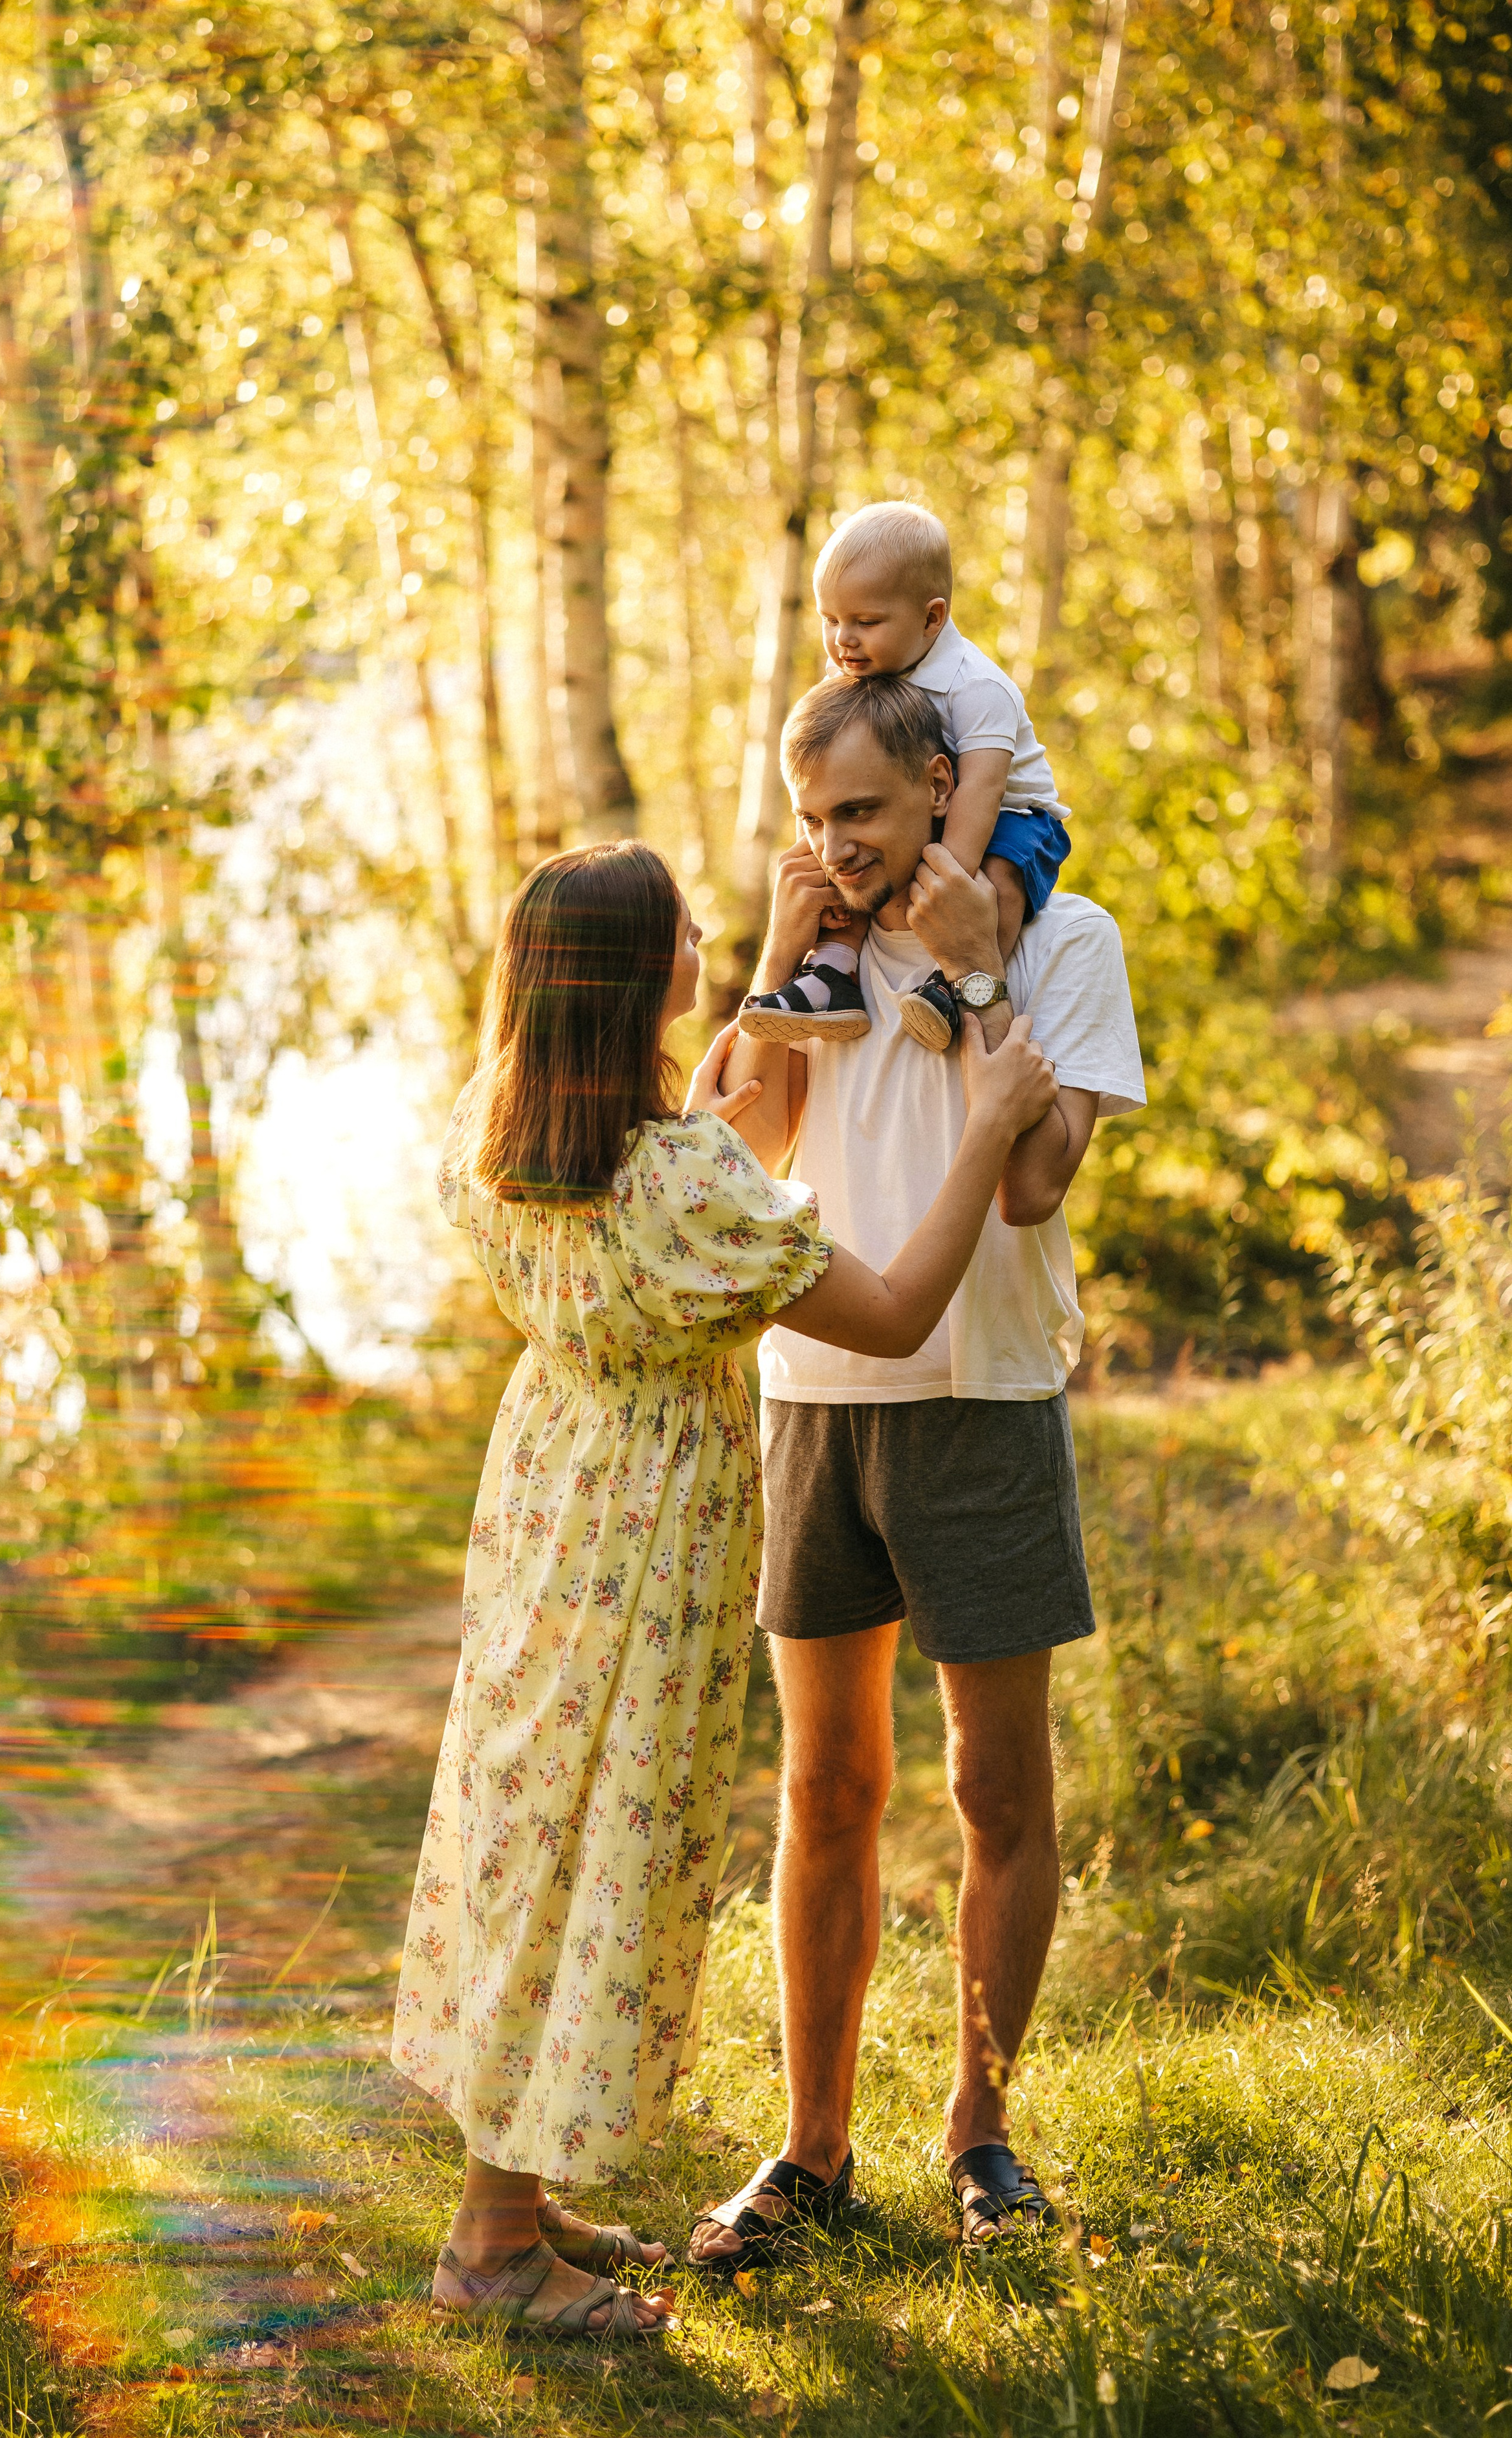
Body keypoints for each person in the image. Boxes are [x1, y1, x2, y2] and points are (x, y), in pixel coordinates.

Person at [393, 839, 1058, 2341]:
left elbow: (697, 1192)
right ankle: (491, 2243)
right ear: (641, 981)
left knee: (528, 1830)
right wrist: (986, 1125)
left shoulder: (496, 1133)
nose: (707, 935)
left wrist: (766, 965)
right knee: (589, 1855)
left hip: (544, 1511)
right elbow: (885, 1314)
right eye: (687, 928)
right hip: (640, 1552)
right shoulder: (676, 1181)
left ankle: (520, 2189)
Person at [689, 674, 1145, 2272]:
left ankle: (980, 2132)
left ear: (940, 786)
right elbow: (722, 1168)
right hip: (809, 1395)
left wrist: (966, 975)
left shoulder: (1058, 940)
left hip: (983, 1398)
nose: (839, 846)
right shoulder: (810, 956)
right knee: (826, 1790)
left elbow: (1028, 1184)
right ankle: (812, 2152)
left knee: (992, 1787)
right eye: (812, 820)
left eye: (865, 814)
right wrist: (768, 951)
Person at [737, 498, 1072, 1051]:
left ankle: (955, 982)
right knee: (846, 865)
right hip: (927, 813)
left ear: (931, 618)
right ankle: (832, 974)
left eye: (865, 622)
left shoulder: (978, 689)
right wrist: (828, 858)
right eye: (831, 620)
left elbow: (981, 790)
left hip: (1015, 814)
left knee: (1000, 876)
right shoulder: (857, 665)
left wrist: (947, 887)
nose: (843, 639)